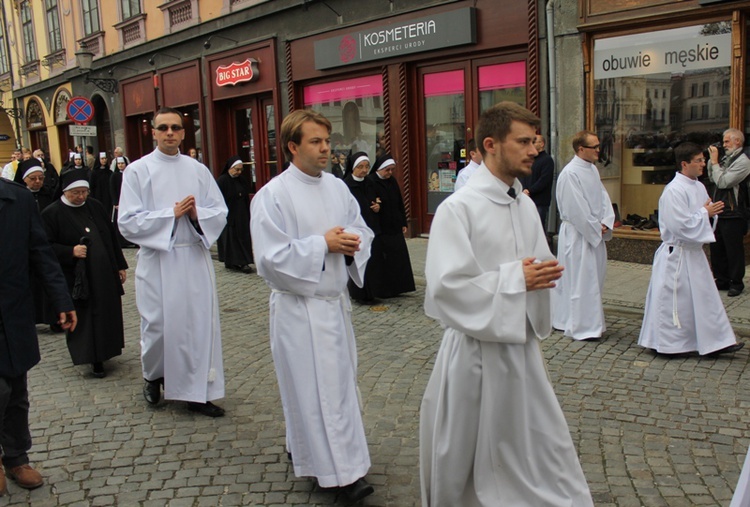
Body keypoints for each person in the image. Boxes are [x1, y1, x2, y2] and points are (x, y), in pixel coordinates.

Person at [420, 101, 592, 506]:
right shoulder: (458, 209)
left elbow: (536, 264)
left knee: (533, 440)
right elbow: (445, 286)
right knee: (467, 450)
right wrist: (517, 278)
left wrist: (538, 276)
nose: (534, 149)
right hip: (475, 354)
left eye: (534, 141)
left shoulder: (524, 202)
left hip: (520, 350)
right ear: (491, 145)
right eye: (524, 141)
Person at [250, 109, 375, 503]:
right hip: (298, 310)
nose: (326, 149)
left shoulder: (337, 188)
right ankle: (337, 473)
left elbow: (360, 227)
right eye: (316, 142)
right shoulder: (273, 195)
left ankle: (310, 448)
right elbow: (269, 259)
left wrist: (354, 242)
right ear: (292, 146)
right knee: (312, 390)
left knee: (338, 389)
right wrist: (323, 244)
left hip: (333, 306)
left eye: (327, 141)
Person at [118, 107, 228, 417]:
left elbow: (219, 211)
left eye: (176, 128)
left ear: (183, 132)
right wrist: (171, 213)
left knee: (197, 326)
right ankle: (153, 375)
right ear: (152, 132)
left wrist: (197, 215)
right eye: (163, 127)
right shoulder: (137, 171)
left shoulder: (197, 169)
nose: (170, 133)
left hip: (192, 255)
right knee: (158, 325)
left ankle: (197, 392)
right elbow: (126, 222)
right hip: (158, 258)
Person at [0, 177, 77, 496]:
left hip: (13, 314)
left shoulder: (17, 199)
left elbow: (41, 254)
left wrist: (61, 300)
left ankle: (17, 459)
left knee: (17, 390)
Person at [638, 142, 745, 358]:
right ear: (684, 164)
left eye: (703, 160)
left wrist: (710, 214)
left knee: (705, 299)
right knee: (675, 301)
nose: (703, 164)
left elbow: (701, 216)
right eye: (699, 161)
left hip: (694, 253)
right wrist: (705, 213)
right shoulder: (673, 191)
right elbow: (679, 225)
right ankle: (669, 344)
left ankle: (716, 341)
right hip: (676, 254)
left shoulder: (698, 186)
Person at [41, 169, 128, 378]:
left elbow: (110, 238)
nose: (81, 197)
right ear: (65, 191)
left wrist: (119, 265)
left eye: (84, 192)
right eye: (76, 193)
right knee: (86, 317)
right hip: (77, 277)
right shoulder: (52, 213)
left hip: (104, 274)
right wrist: (70, 251)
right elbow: (44, 247)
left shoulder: (95, 206)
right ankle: (92, 357)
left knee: (107, 313)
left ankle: (107, 350)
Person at [552, 130, 615, 341]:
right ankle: (578, 324)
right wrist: (595, 227)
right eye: (594, 147)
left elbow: (603, 197)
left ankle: (589, 321)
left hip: (593, 232)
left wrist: (606, 221)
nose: (599, 150)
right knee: (579, 280)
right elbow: (575, 207)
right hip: (578, 235)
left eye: (598, 146)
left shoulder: (592, 170)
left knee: (593, 278)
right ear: (581, 149)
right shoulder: (570, 173)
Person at [707, 128, 750, 297]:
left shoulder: (743, 161)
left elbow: (723, 182)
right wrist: (713, 161)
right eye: (723, 142)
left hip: (734, 212)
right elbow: (712, 178)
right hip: (718, 211)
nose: (723, 145)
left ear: (737, 142)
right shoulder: (725, 158)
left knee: (734, 250)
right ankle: (721, 279)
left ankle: (736, 283)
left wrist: (715, 162)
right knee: (717, 248)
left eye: (727, 142)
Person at [367, 153, 416, 298]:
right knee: (384, 260)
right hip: (381, 227)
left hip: (394, 226)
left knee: (397, 259)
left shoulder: (392, 181)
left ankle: (398, 287)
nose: (389, 173)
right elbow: (370, 202)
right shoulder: (371, 181)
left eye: (391, 170)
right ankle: (384, 289)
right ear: (380, 168)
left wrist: (403, 221)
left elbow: (399, 202)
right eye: (387, 170)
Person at [343, 151, 383, 302]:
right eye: (360, 167)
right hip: (355, 227)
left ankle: (374, 292)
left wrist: (377, 206)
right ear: (353, 167)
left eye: (367, 167)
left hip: (371, 225)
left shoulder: (370, 182)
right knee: (359, 260)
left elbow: (377, 200)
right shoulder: (346, 185)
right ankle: (359, 293)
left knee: (373, 261)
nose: (364, 170)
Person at [216, 157, 254, 273]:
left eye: (240, 170)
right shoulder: (222, 181)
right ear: (230, 168)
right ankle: (236, 262)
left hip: (242, 213)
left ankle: (244, 261)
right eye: (236, 170)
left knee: (243, 237)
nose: (239, 172)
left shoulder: (242, 180)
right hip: (230, 214)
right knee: (231, 239)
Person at [520, 133, 555, 230]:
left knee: (538, 228)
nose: (532, 144)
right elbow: (522, 175)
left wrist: (530, 190)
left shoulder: (547, 160)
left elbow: (544, 180)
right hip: (526, 199)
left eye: (534, 142)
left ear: (542, 144)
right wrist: (523, 190)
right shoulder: (529, 159)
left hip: (539, 201)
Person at [110, 157, 136, 248]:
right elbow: (112, 189)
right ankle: (121, 241)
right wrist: (115, 202)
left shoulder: (129, 174)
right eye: (119, 164)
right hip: (119, 202)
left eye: (122, 163)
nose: (120, 165)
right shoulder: (114, 175)